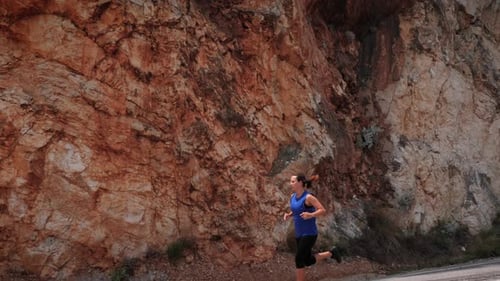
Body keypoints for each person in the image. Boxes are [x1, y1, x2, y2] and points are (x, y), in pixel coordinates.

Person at [283, 174, 341, 281]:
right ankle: (332, 253)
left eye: (292, 181)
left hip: (309, 233)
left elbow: (322, 210)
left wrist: (311, 215)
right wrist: (289, 214)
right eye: (290, 181)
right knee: (307, 260)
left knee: (299, 259)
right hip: (299, 233)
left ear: (300, 183)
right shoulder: (292, 197)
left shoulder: (308, 197)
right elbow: (297, 210)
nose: (290, 183)